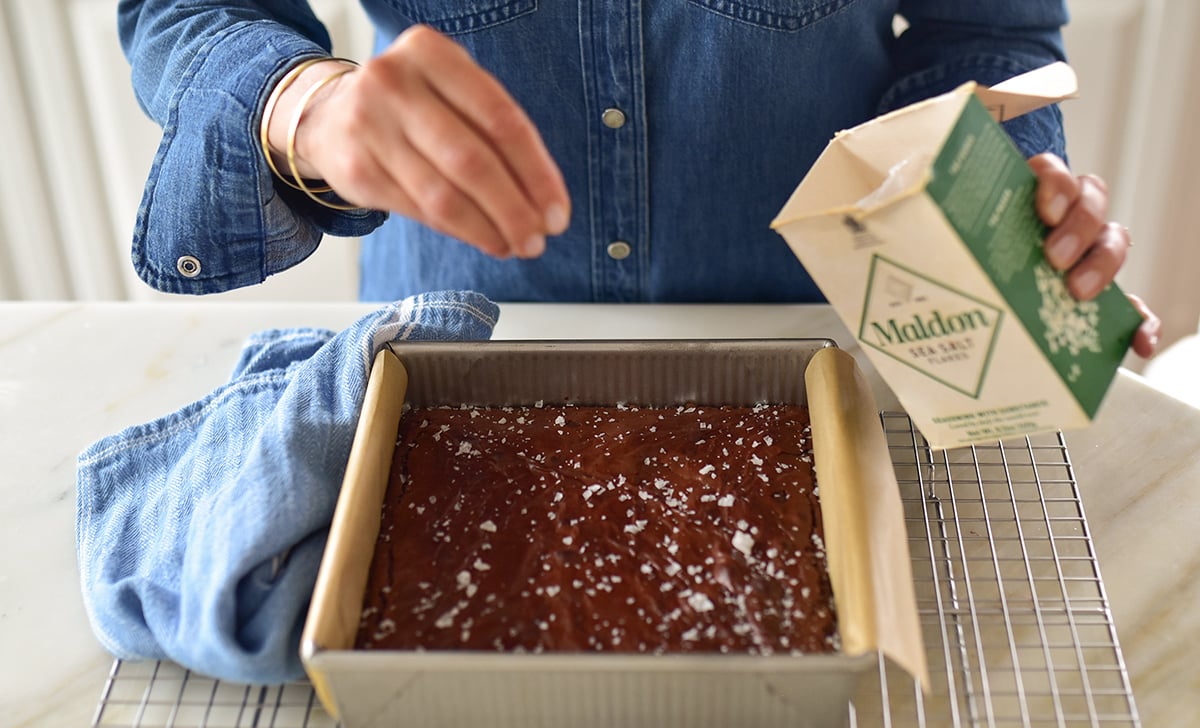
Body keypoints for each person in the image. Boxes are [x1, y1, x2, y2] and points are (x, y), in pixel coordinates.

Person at [117, 0, 1160, 356]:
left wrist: (1010, 197)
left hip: (825, 353)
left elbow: (983, 33)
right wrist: (303, 104)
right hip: (451, 347)